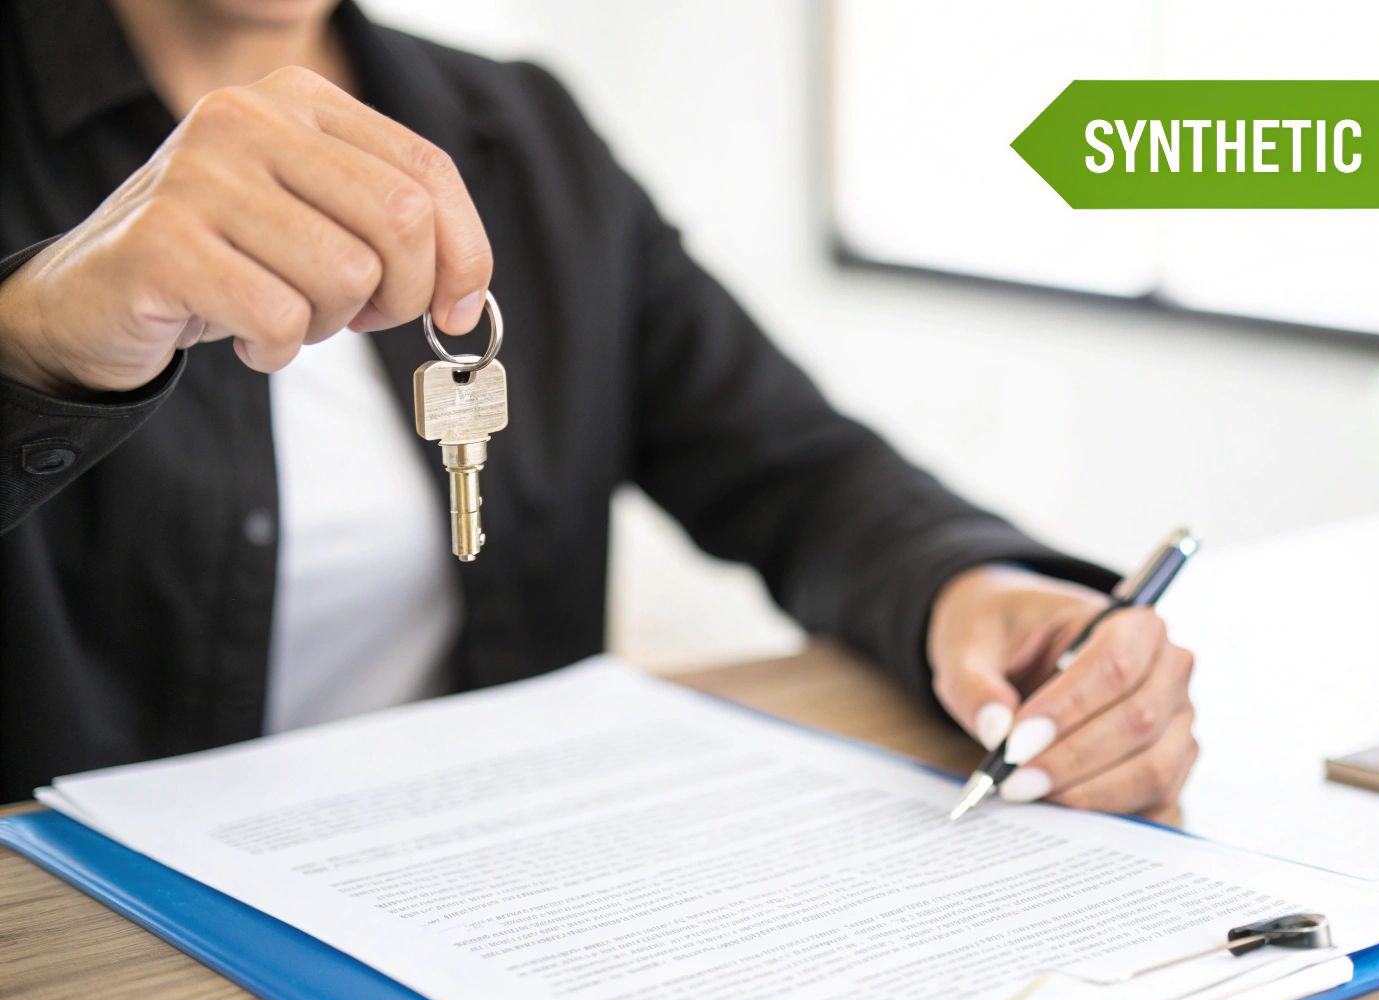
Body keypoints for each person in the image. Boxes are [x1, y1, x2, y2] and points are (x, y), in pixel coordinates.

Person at [0, 0, 1197, 810]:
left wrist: (970, 588)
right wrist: (38, 328)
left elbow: (789, 463)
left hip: (480, 891)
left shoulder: (521, 135)